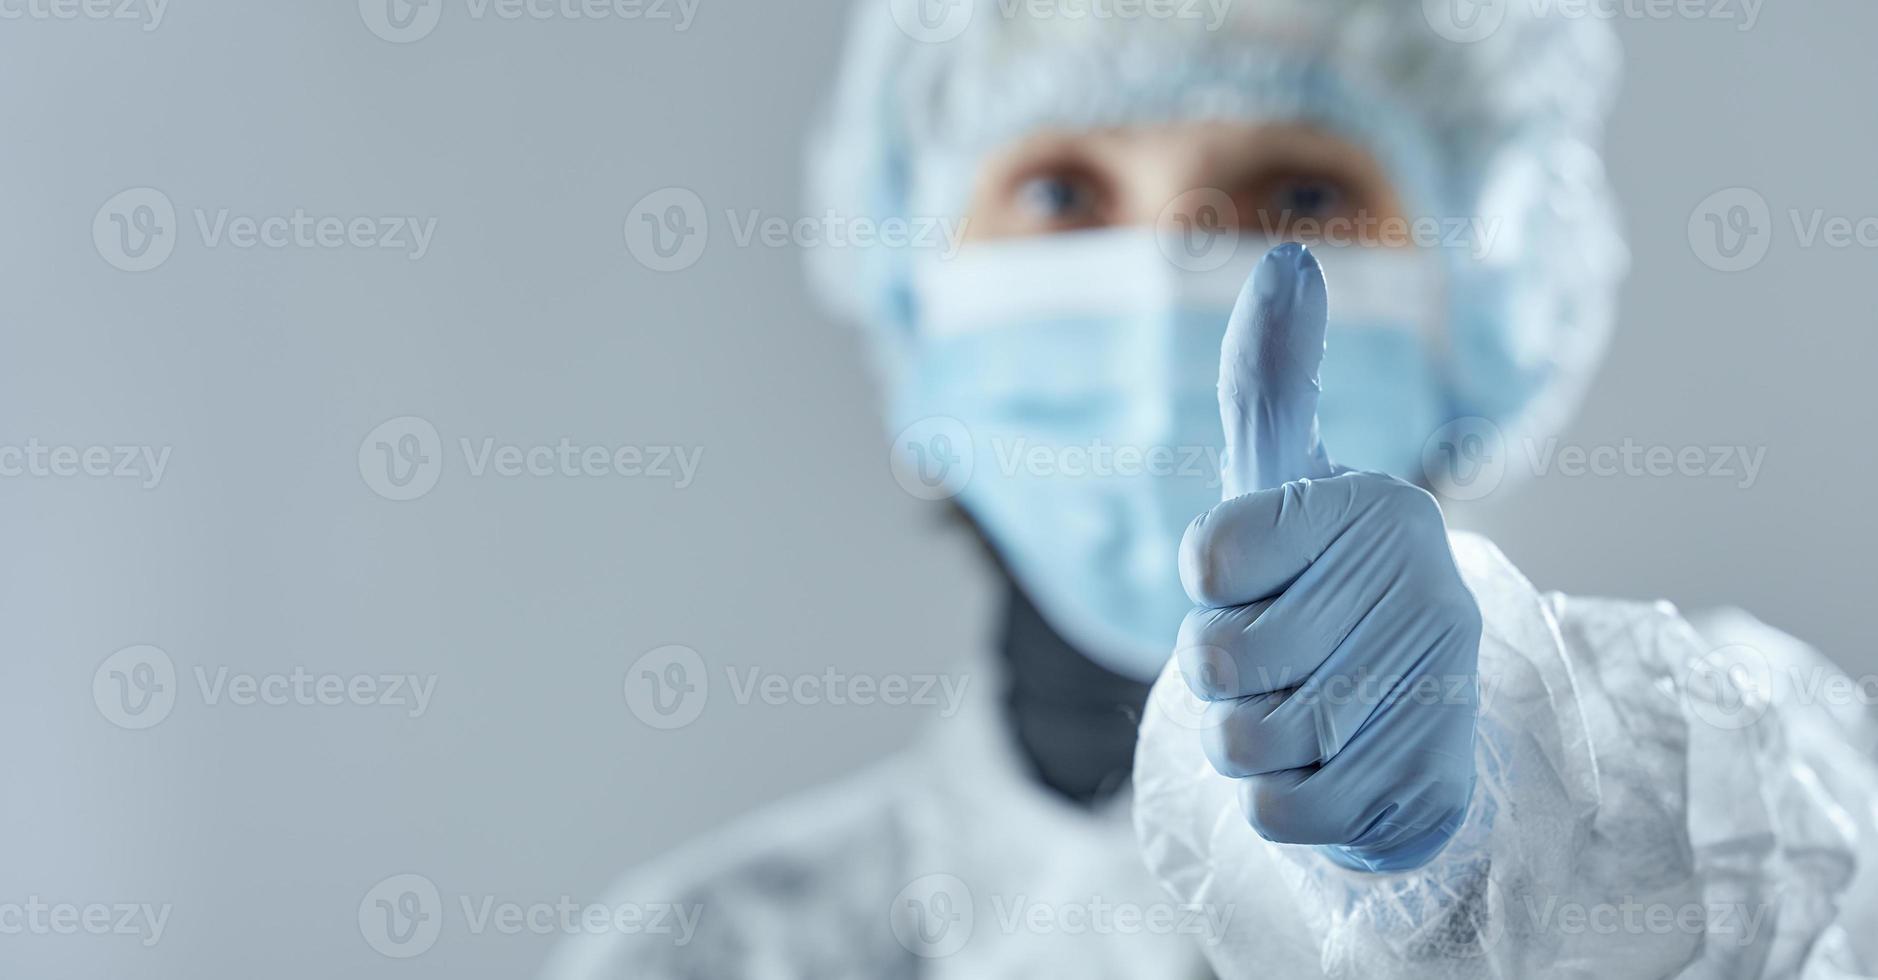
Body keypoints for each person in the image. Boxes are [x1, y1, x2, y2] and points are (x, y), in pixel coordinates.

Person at [544, 2, 1878, 977]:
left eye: (1295, 188)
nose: (1168, 274)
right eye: (1061, 190)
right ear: (916, 300)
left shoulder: (1723, 781)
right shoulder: (717, 949)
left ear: (1477, 302)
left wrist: (1482, 832)